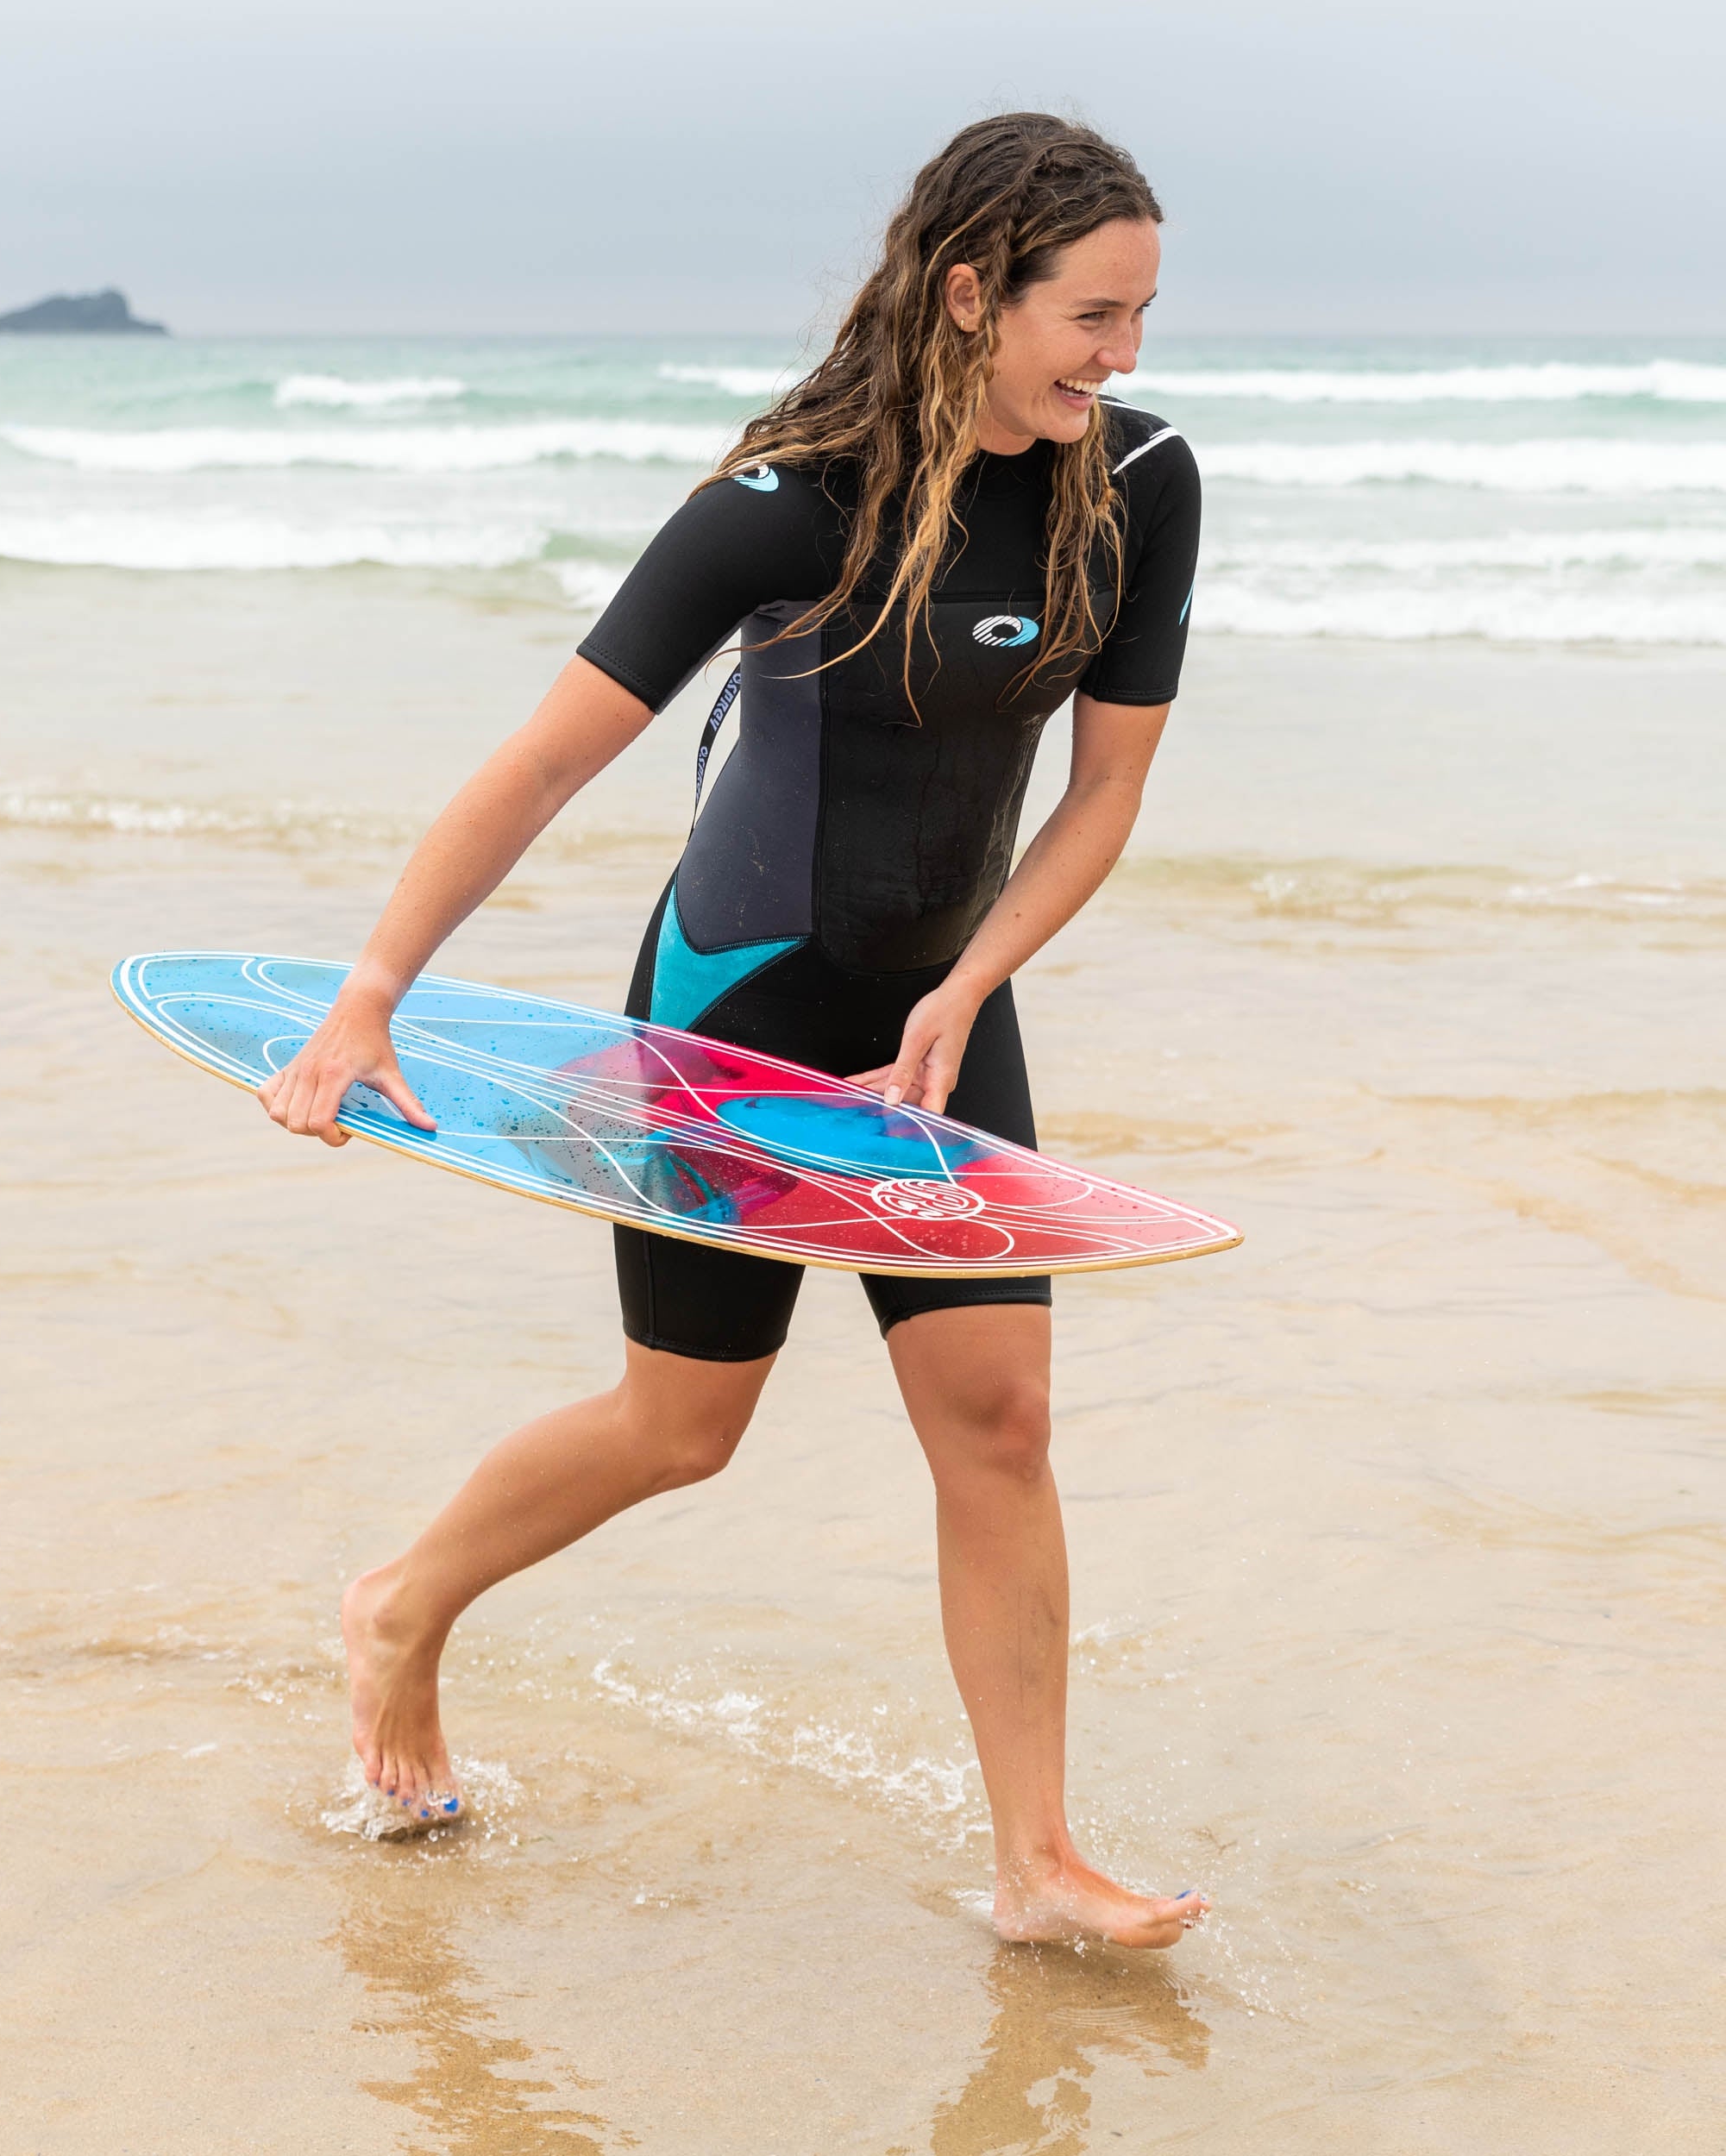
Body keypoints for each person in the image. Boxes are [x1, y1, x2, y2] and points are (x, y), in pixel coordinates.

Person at [259, 112, 1207, 1949]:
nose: (1123, 355)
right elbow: (543, 761)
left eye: (1140, 313)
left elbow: (1100, 795)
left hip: (943, 1010)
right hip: (737, 1009)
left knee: (998, 1421)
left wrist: (959, 990)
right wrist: (363, 999)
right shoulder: (788, 503)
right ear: (966, 296)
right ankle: (401, 1603)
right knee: (683, 1425)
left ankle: (1033, 1864)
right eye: (1091, 314)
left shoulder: (1138, 479)